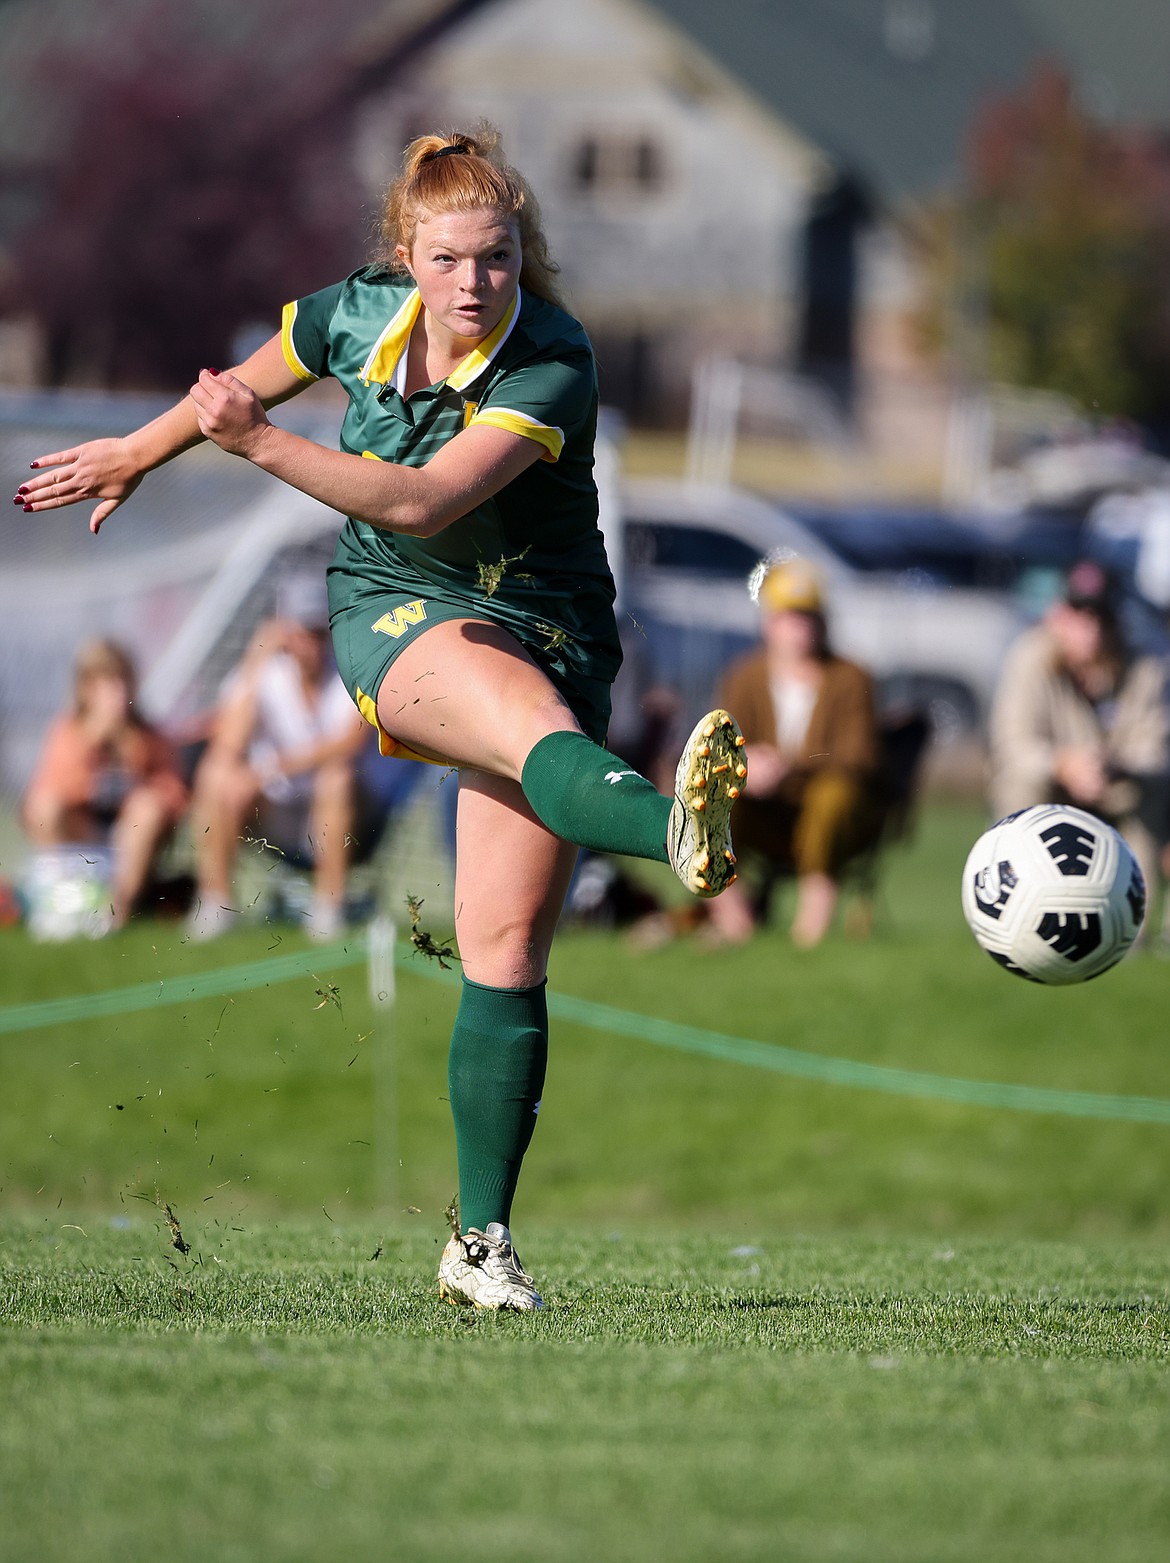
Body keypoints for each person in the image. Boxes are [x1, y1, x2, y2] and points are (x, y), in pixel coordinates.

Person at [18, 126, 744, 1311]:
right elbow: (242, 392)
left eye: (499, 260)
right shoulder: (348, 313)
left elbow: (419, 495)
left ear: (525, 258)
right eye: (452, 259)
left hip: (553, 628)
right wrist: (140, 454)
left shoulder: (554, 361)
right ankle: (671, 832)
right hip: (396, 606)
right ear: (407, 256)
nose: (474, 284)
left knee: (504, 955)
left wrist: (257, 446)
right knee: (524, 734)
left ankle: (479, 1246)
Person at [186, 572, 373, 943]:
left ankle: (328, 909)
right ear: (284, 632)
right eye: (303, 631)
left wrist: (268, 769)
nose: (312, 644)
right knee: (215, 774)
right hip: (272, 810)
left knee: (336, 779)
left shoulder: (348, 676)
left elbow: (348, 744)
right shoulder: (265, 675)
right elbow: (228, 744)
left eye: (319, 632)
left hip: (342, 816)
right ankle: (216, 903)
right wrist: (256, 659)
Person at [705, 558, 882, 948]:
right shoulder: (744, 676)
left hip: (823, 814)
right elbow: (719, 745)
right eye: (790, 617)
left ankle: (810, 928)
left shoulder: (850, 678)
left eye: (808, 617)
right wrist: (749, 770)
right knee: (711, 798)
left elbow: (861, 754)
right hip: (761, 810)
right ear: (769, 623)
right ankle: (731, 917)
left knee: (833, 797)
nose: (800, 629)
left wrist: (789, 767)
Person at [989, 558, 1169, 897]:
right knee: (1016, 782)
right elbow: (1012, 743)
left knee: (1153, 795)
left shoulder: (1147, 666)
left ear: (1116, 620)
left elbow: (1156, 751)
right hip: (1051, 788)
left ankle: (1134, 918)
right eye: (1079, 614)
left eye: (1100, 615)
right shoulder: (1029, 656)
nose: (1091, 628)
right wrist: (1063, 764)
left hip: (1120, 788)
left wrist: (1115, 766)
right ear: (1057, 614)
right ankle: (1015, 896)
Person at [21, 638, 188, 929]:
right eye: (109, 685)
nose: (119, 695)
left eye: (124, 683)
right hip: (83, 832)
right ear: (87, 689)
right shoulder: (68, 731)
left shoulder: (149, 735)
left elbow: (173, 793)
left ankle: (117, 911)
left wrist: (134, 760)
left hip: (130, 839)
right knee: (44, 807)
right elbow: (50, 791)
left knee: (147, 809)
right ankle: (61, 899)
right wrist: (92, 743)